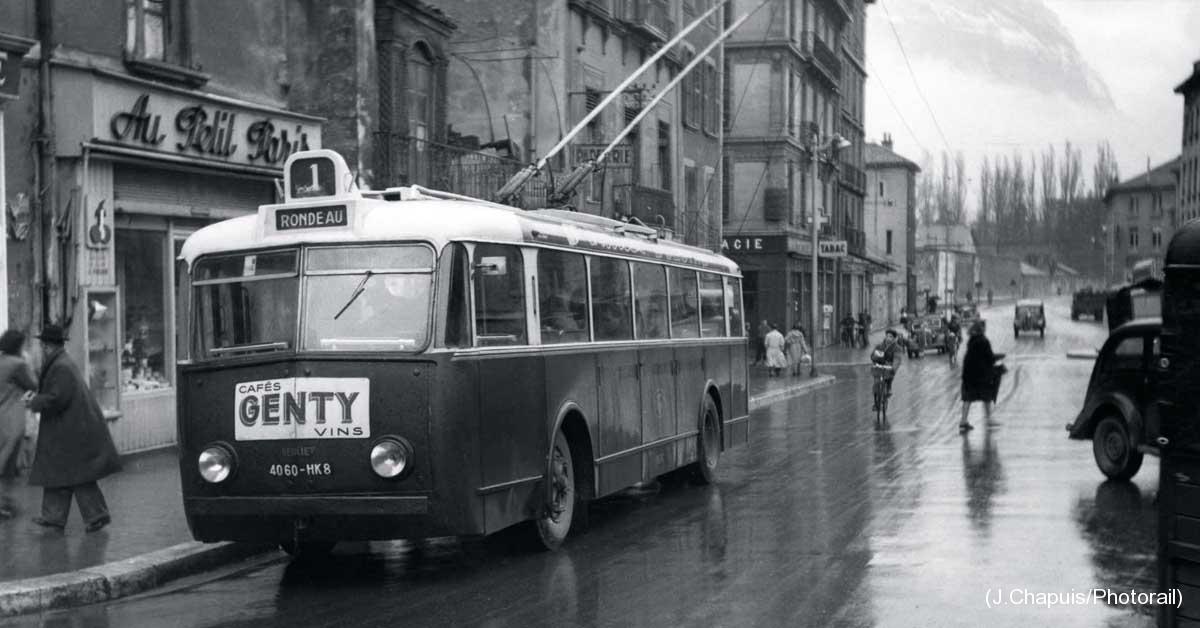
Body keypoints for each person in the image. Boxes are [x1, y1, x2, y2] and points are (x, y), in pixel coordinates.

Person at [26, 325, 121, 532]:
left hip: (71, 431)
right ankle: (55, 516)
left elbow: (57, 399)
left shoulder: (60, 366)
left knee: (74, 475)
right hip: (71, 429)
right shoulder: (62, 362)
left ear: (47, 346)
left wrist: (34, 402)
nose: (41, 349)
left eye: (43, 345)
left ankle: (96, 516)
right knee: (60, 473)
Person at [0, 330, 37, 519]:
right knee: (7, 464)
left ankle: (5, 503)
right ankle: (4, 503)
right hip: (11, 418)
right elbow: (33, 384)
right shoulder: (18, 364)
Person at [960, 320, 996, 431]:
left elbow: (969, 358)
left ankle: (963, 421)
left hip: (969, 375)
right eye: (984, 327)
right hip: (981, 376)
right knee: (986, 398)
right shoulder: (984, 341)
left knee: (968, 399)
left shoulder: (971, 341)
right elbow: (989, 357)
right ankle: (989, 420)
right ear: (982, 329)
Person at [870, 329, 902, 411]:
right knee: (876, 383)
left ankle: (888, 388)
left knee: (889, 378)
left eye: (890, 337)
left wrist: (893, 368)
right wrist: (876, 357)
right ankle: (876, 402)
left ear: (894, 338)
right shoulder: (880, 346)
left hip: (889, 367)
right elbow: (872, 356)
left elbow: (897, 359)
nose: (888, 338)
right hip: (879, 366)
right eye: (887, 336)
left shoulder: (897, 348)